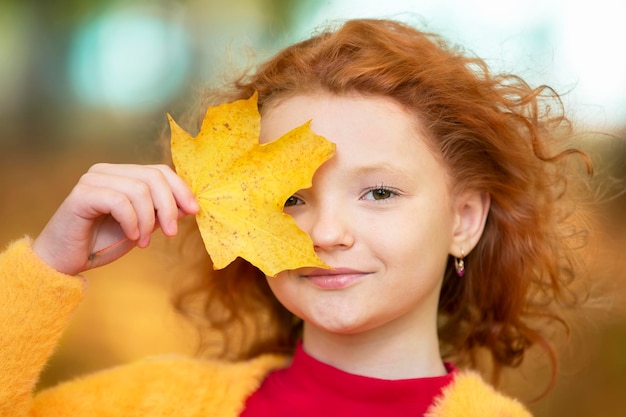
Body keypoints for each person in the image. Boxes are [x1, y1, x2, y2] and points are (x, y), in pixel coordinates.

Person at [0, 18, 592, 416]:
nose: (326, 233)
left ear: (464, 219)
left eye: (380, 193)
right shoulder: (162, 402)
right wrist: (47, 267)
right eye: (290, 199)